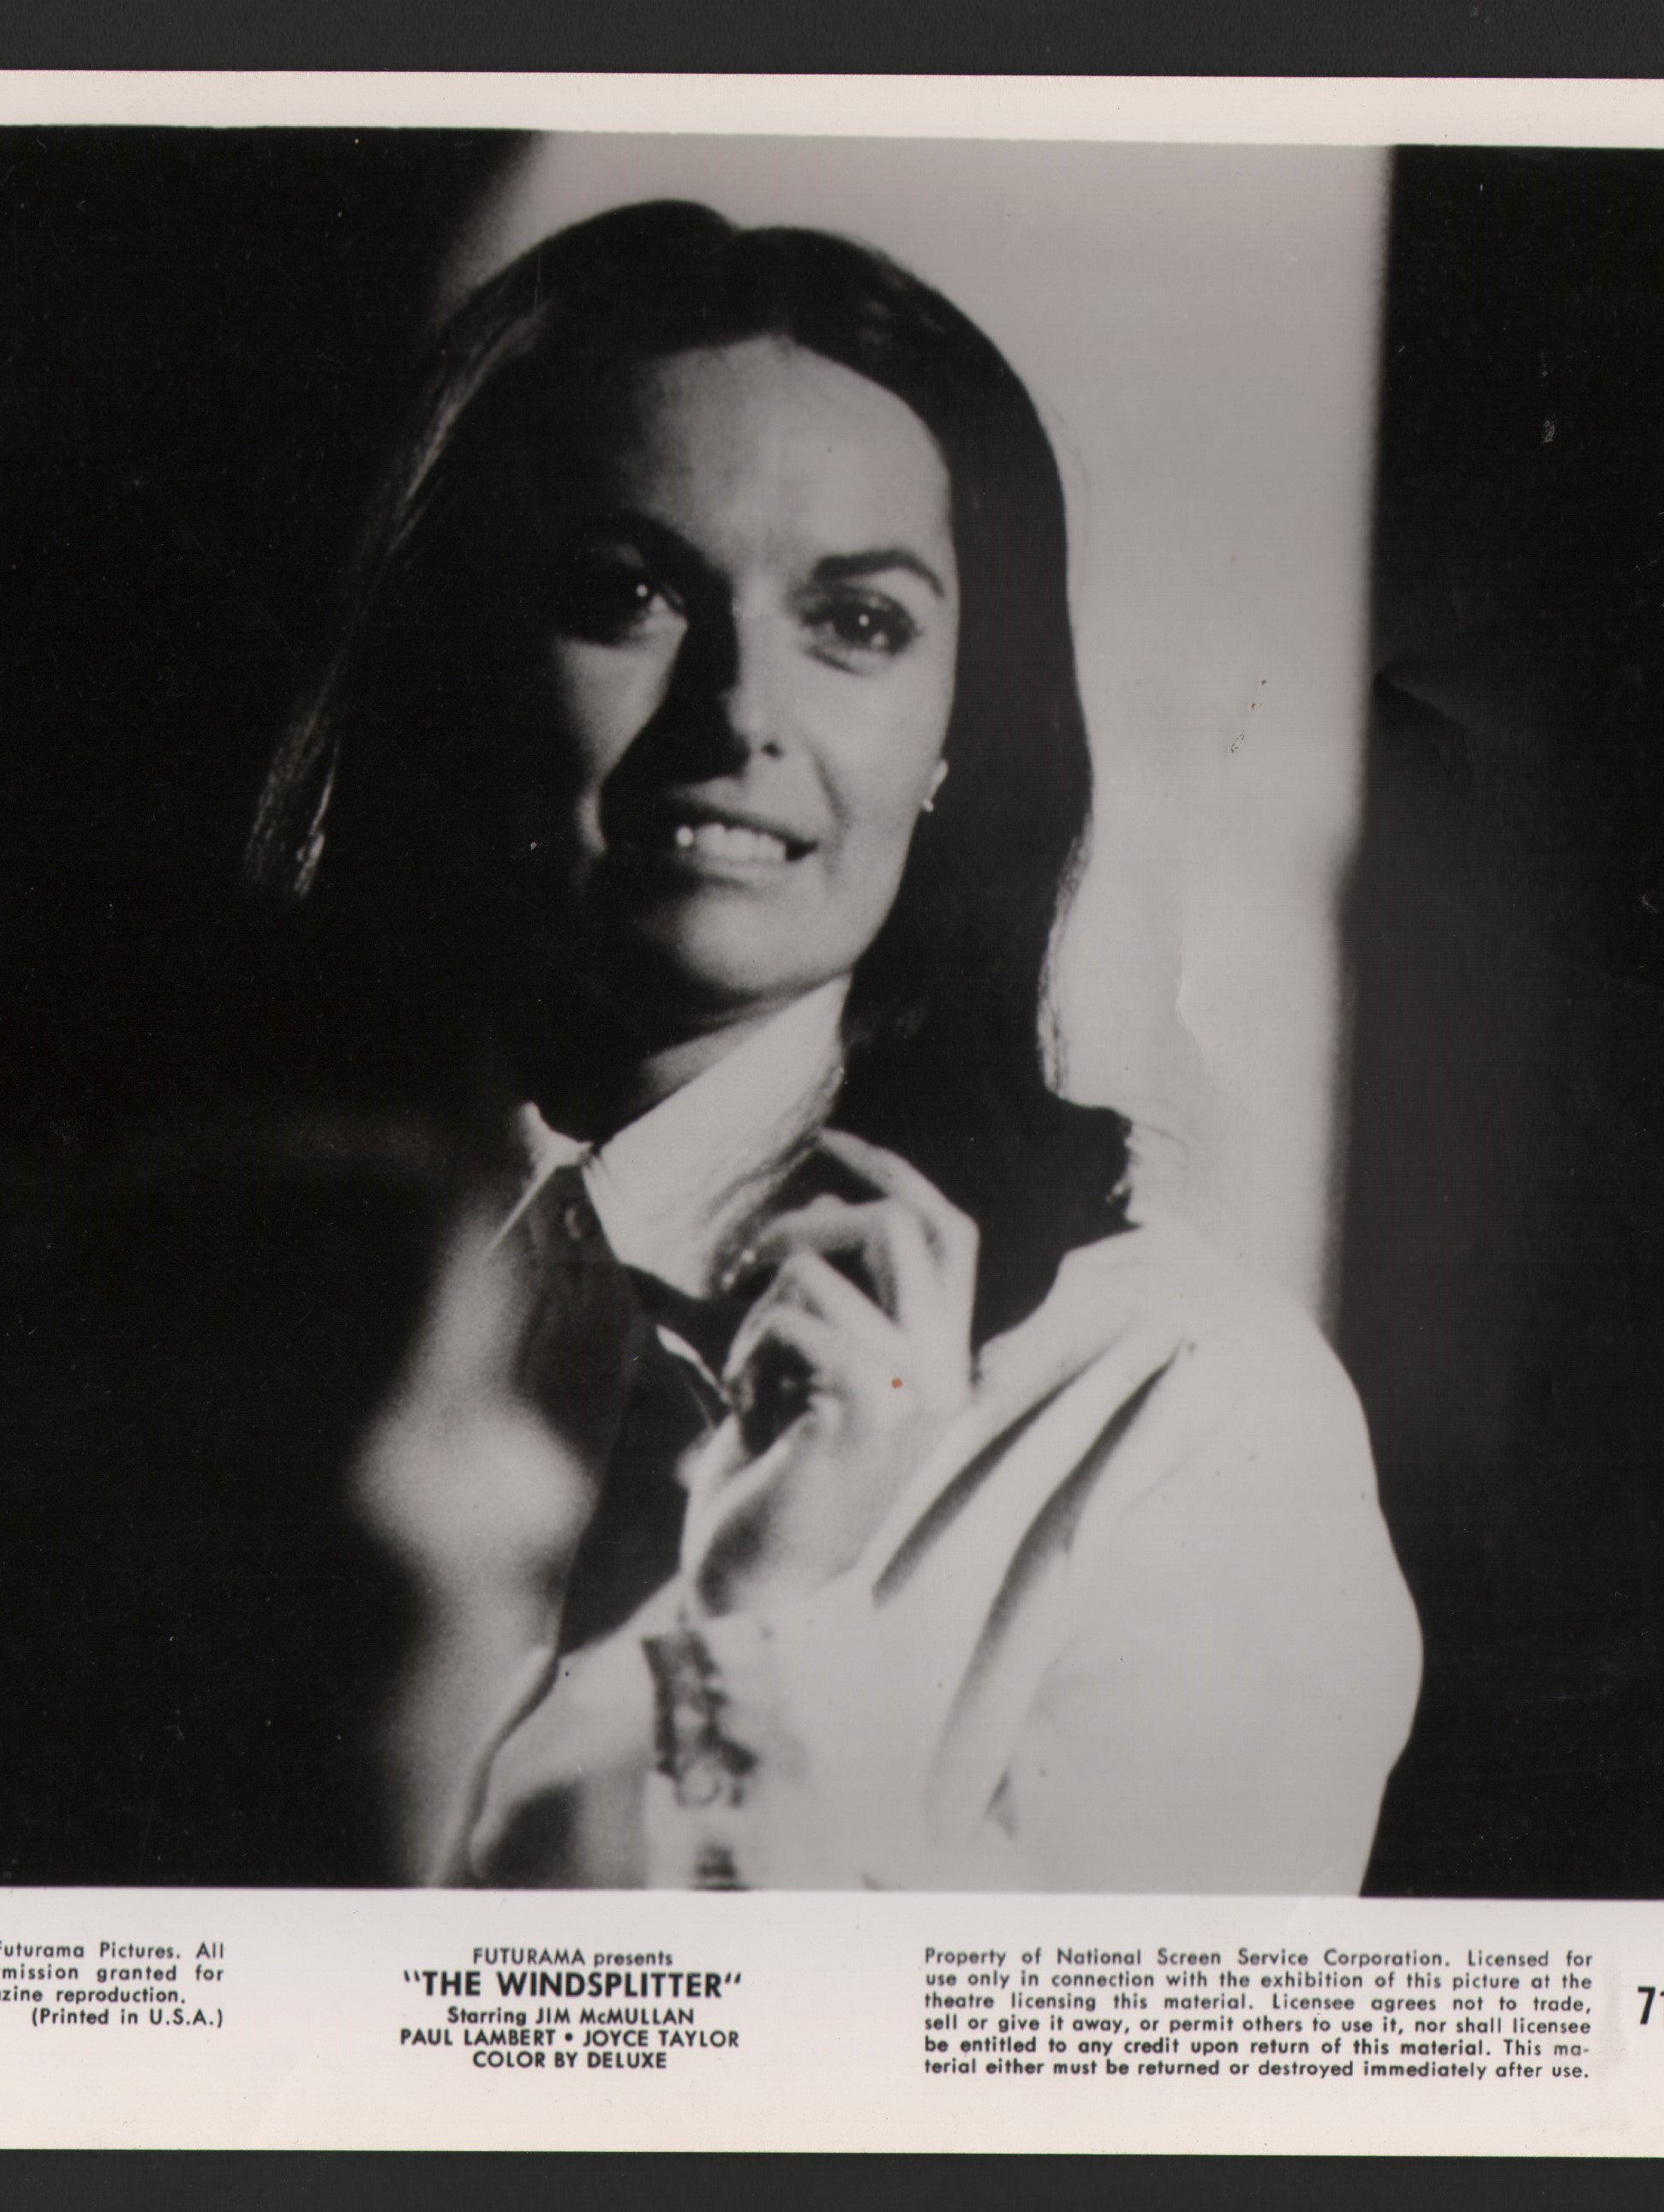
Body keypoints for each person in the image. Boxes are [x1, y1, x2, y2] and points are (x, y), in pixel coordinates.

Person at [248, 200, 1422, 1891]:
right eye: (627, 592)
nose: (740, 713)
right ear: (455, 654)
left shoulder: (1180, 1411)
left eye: (857, 623)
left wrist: (759, 1648)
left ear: (959, 737)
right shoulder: (212, 1292)